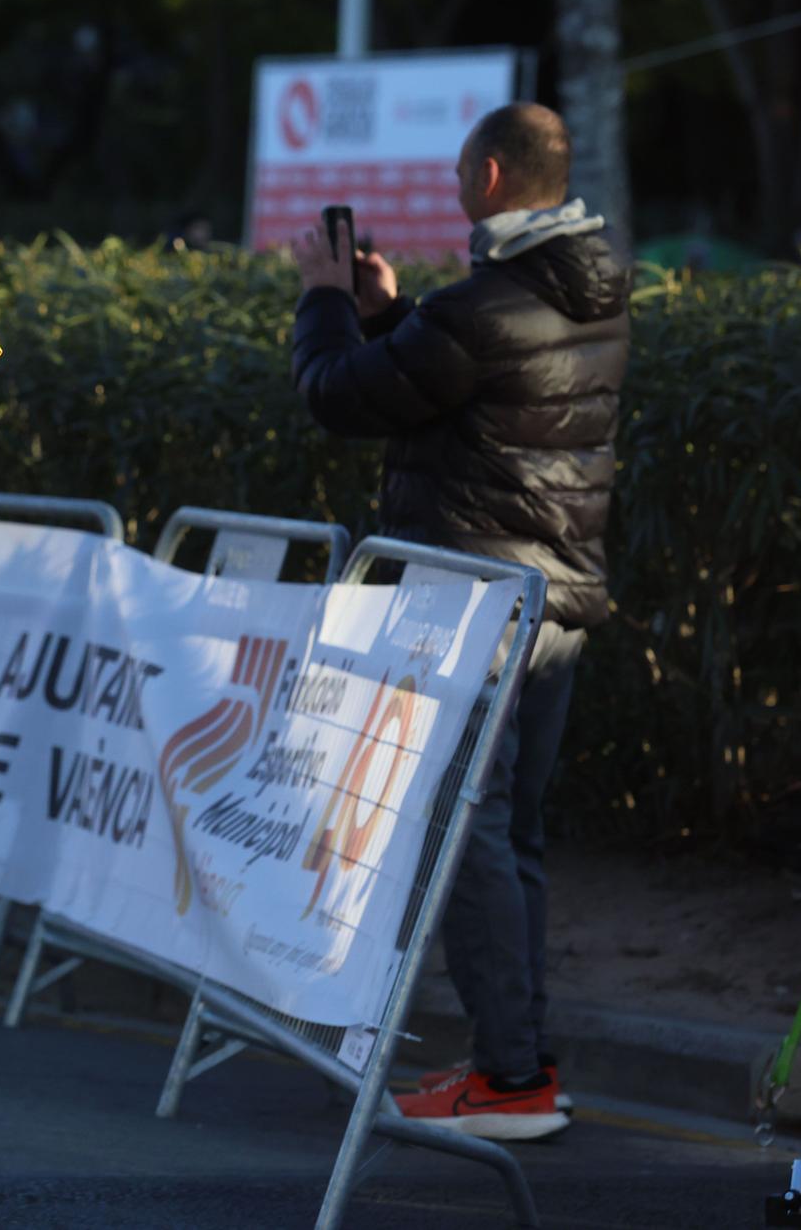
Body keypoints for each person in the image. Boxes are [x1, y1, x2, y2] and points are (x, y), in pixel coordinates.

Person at [288, 102, 630, 1141]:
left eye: (453, 168)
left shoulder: (482, 304)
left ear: (485, 174)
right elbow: (462, 398)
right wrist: (393, 317)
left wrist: (324, 302)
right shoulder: (585, 292)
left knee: (469, 834)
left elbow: (339, 397)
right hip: (553, 599)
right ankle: (516, 1066)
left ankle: (510, 1077)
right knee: (509, 834)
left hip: (475, 601)